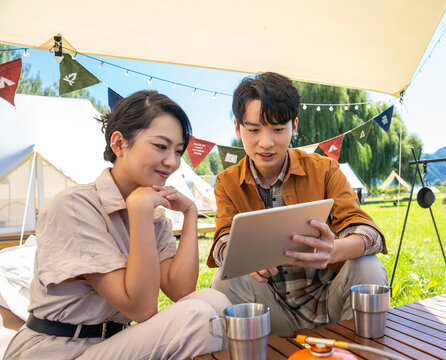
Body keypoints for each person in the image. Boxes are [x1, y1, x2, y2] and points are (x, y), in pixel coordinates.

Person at [4, 91, 230, 359]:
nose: (172, 162)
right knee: (199, 317)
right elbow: (141, 309)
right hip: (57, 349)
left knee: (215, 301)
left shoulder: (151, 212)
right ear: (119, 143)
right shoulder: (75, 206)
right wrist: (139, 212)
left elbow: (181, 290)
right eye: (161, 146)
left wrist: (191, 213)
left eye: (178, 151)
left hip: (111, 344)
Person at [208, 72, 388, 337]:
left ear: (294, 126)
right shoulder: (227, 182)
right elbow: (221, 241)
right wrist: (243, 257)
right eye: (254, 130)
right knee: (224, 281)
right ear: (237, 127)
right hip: (272, 310)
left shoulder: (324, 169)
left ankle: (365, 352)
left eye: (278, 130)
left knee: (368, 265)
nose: (266, 143)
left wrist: (335, 250)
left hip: (331, 299)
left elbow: (369, 234)